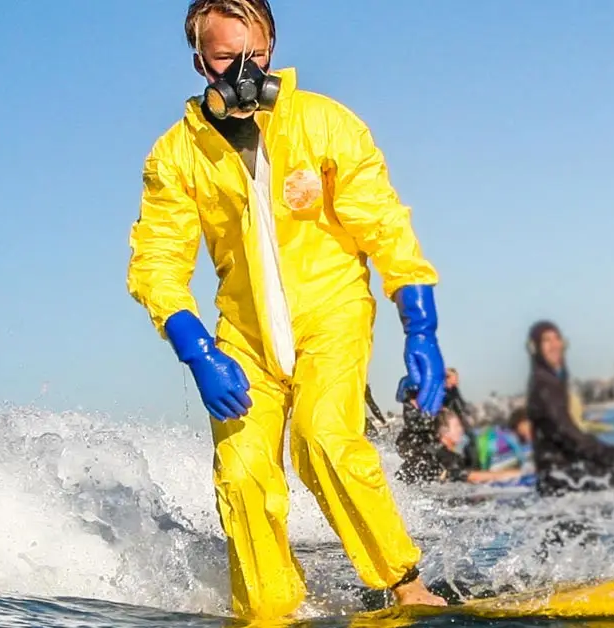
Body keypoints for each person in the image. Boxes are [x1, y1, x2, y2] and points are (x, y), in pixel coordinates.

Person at [125, 0, 448, 618]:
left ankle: (405, 586)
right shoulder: (176, 156)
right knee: (243, 474)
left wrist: (421, 325)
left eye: (255, 54)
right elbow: (156, 262)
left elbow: (383, 225)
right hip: (241, 336)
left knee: (322, 439)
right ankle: (270, 609)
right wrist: (196, 349)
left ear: (272, 47)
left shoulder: (326, 124)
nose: (243, 69)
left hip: (331, 310)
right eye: (224, 57)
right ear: (199, 61)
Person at [524, 321, 614, 497]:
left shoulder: (550, 382)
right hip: (558, 478)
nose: (554, 345)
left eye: (557, 339)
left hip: (563, 472)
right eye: (546, 340)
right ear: (535, 348)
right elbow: (569, 436)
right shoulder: (544, 386)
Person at [395, 404, 524, 485]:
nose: (461, 430)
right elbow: (467, 476)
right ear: (445, 432)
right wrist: (506, 475)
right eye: (456, 426)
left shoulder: (430, 449)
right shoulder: (441, 454)